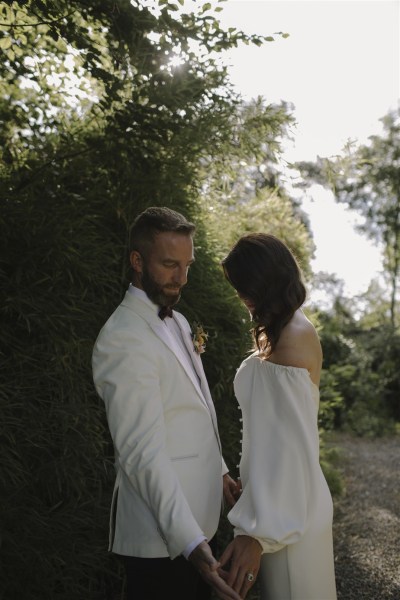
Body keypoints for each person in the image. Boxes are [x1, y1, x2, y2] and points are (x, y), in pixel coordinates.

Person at [92, 206, 241, 600]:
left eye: (187, 265)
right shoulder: (123, 338)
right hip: (164, 541)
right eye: (170, 265)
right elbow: (141, 453)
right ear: (137, 261)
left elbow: (191, 405)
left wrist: (220, 470)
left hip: (199, 518)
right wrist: (191, 543)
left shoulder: (179, 321)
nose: (182, 278)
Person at [218, 233, 338, 600]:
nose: (242, 298)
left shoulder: (292, 338)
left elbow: (290, 452)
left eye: (243, 288)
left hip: (288, 517)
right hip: (282, 505)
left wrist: (260, 532)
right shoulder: (285, 329)